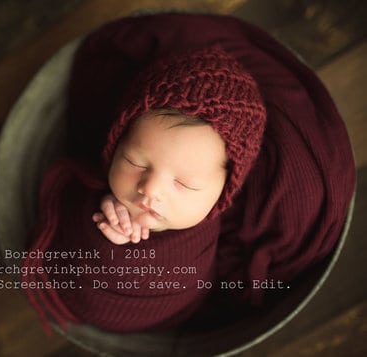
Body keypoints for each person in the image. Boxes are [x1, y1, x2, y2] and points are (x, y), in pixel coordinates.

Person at [22, 13, 355, 334]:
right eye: (136, 162)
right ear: (115, 141)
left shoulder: (211, 239)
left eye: (183, 183)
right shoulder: (99, 179)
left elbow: (191, 289)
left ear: (227, 189)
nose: (149, 189)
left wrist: (143, 258)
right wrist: (99, 224)